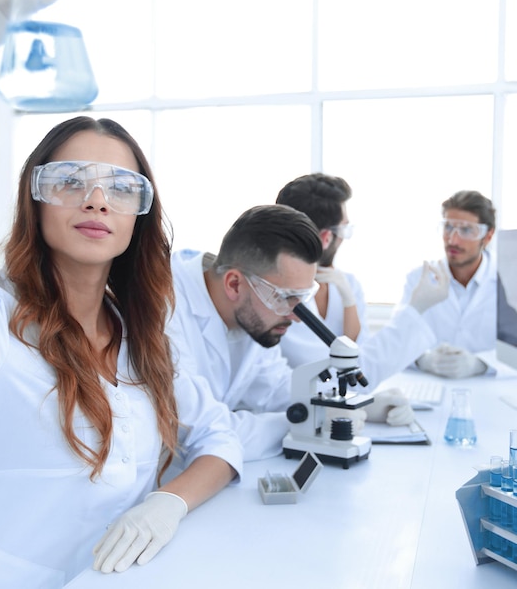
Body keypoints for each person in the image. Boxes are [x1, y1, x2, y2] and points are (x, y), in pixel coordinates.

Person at [0, 0, 242, 587]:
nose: (96, 199)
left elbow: (220, 437)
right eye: (70, 181)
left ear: (141, 215)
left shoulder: (141, 337)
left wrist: (170, 501)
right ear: (35, 202)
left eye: (120, 187)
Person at [276, 174, 450, 423]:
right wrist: (415, 309)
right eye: (344, 228)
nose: (345, 236)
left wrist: (348, 302)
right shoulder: (281, 301)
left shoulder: (346, 284)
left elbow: (359, 357)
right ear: (326, 237)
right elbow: (354, 373)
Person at [166, 205, 323, 461]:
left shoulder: (252, 314)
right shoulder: (164, 308)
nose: (296, 316)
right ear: (234, 284)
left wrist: (333, 407)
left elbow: (274, 387)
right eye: (286, 298)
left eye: (302, 299)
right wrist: (306, 424)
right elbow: (200, 430)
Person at [411, 190, 497, 378]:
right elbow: (399, 339)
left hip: (490, 391)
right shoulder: (417, 278)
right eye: (448, 227)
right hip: (429, 388)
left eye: (466, 230)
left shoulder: (508, 283)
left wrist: (481, 364)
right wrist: (424, 359)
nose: (453, 239)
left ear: (488, 236)